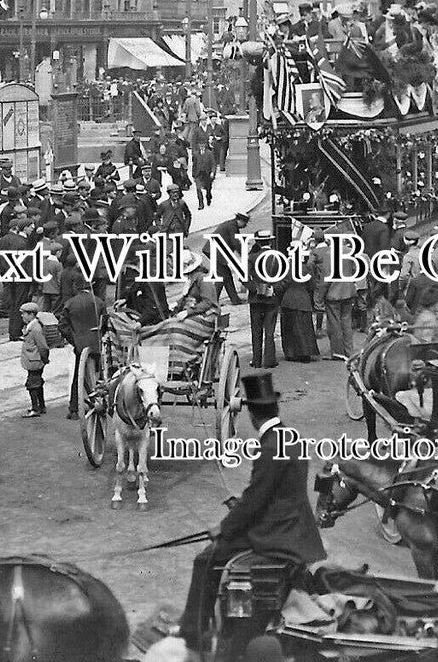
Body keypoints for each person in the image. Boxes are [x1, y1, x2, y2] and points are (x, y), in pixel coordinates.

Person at [178, 372, 326, 651]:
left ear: (253, 415)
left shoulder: (269, 447)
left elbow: (256, 500)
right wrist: (242, 505)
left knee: (206, 558)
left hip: (278, 534)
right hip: (294, 525)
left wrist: (224, 527)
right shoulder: (290, 437)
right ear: (274, 408)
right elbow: (272, 492)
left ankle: (192, 633)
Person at [60, 283, 104, 420]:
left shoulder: (70, 303)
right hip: (96, 344)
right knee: (98, 375)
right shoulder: (99, 302)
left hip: (80, 346)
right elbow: (105, 323)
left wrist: (74, 340)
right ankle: (100, 399)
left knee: (78, 376)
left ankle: (74, 408)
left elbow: (62, 325)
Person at [246, 231, 281, 368]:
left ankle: (256, 360)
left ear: (258, 242)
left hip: (255, 299)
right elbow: (283, 278)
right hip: (272, 298)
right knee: (270, 330)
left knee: (256, 330)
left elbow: (244, 278)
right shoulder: (277, 257)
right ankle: (270, 360)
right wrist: (273, 289)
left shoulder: (251, 258)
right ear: (270, 242)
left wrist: (256, 288)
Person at [205, 212, 249, 305]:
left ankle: (234, 299)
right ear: (240, 220)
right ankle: (213, 301)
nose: (245, 225)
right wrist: (244, 254)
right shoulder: (232, 227)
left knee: (226, 275)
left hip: (214, 250)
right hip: (215, 252)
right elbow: (235, 242)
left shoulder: (231, 224)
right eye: (245, 223)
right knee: (222, 276)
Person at [19, 302, 50, 418]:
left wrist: (44, 358)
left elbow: (43, 346)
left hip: (35, 361)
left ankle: (35, 408)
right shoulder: (31, 326)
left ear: (31, 314)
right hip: (34, 360)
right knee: (38, 383)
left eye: (24, 314)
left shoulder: (35, 329)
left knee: (32, 384)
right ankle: (41, 406)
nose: (22, 316)